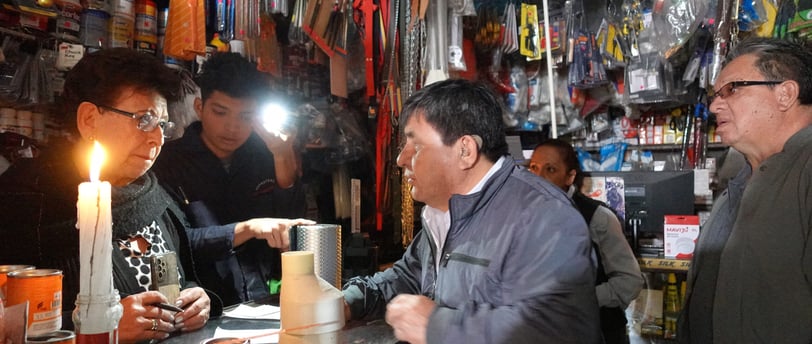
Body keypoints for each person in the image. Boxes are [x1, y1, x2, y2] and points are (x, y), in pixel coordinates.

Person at [342, 79, 602, 344]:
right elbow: (408, 277)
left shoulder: (546, 217)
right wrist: (350, 302)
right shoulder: (444, 214)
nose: (401, 159)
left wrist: (439, 327)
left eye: (416, 146)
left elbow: (562, 330)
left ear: (465, 150)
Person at [0, 48, 210, 343]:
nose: (157, 138)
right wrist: (97, 329)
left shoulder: (152, 196)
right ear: (89, 119)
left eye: (162, 125)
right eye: (144, 119)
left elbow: (171, 277)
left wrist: (195, 299)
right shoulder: (26, 203)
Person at [678, 37, 812, 343]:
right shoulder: (738, 183)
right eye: (714, 95)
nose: (713, 105)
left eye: (732, 89)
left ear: (785, 94)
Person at [151, 52, 308, 306]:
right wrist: (247, 228)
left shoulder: (265, 153)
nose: (232, 127)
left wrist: (282, 155)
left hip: (261, 302)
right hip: (197, 306)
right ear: (200, 108)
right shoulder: (168, 162)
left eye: (245, 117)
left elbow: (292, 220)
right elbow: (173, 243)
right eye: (221, 112)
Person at [528, 139, 643, 344]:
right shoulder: (524, 215)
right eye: (533, 168)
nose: (538, 177)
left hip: (597, 331)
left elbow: (629, 282)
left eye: (550, 169)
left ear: (570, 176)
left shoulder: (597, 217)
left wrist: (577, 298)